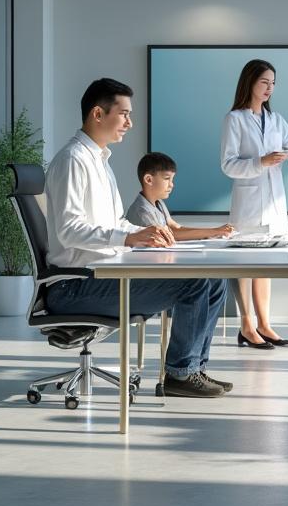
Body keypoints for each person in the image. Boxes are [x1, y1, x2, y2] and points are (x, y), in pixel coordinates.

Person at [44, 78, 232, 398]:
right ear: (98, 114)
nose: (130, 123)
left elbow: (114, 222)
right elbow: (69, 230)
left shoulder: (101, 163)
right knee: (195, 281)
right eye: (124, 114)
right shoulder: (73, 160)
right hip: (75, 285)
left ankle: (194, 367)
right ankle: (179, 374)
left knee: (215, 278)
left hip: (104, 272)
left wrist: (144, 233)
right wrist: (129, 239)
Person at [220, 59, 288, 349]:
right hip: (248, 203)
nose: (269, 88)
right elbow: (228, 165)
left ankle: (265, 324)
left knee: (265, 265)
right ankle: (246, 325)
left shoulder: (277, 119)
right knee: (245, 265)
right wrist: (261, 162)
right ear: (250, 82)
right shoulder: (235, 119)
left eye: (273, 83)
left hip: (273, 201)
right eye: (264, 82)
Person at [126, 151, 235, 240]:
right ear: (148, 179)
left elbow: (176, 227)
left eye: (172, 179)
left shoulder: (158, 203)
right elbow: (172, 234)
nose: (172, 185)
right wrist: (214, 232)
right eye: (167, 179)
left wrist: (215, 231)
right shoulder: (142, 212)